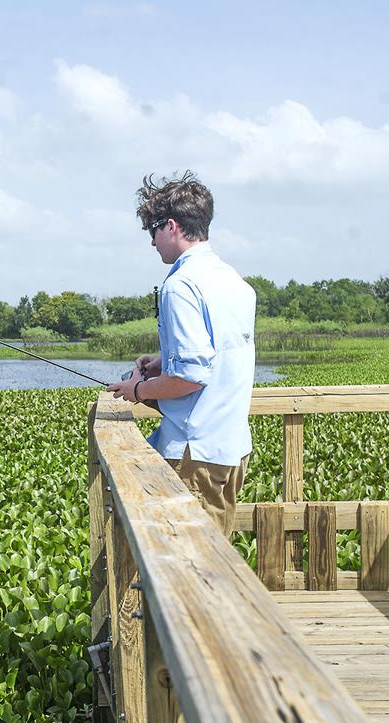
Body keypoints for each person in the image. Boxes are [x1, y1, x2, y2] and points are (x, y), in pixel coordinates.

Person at [106, 171, 256, 538]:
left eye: (152, 230)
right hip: (231, 447)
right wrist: (162, 360)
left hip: (194, 450)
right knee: (214, 554)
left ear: (171, 226)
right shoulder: (232, 280)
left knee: (190, 566)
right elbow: (217, 352)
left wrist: (137, 391)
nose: (152, 242)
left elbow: (189, 377)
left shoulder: (180, 285)